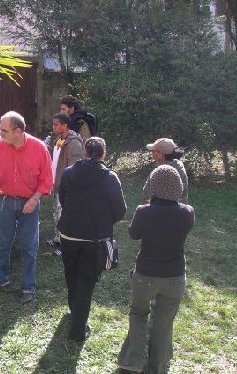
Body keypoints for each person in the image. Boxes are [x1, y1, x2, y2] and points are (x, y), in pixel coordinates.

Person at [117, 165, 195, 374]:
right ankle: (157, 366)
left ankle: (131, 362)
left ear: (153, 187)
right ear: (178, 187)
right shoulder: (187, 212)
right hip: (175, 277)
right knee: (164, 321)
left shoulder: (144, 211)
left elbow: (133, 234)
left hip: (146, 274)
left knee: (139, 314)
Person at [57, 137, 127, 342]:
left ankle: (75, 313)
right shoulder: (110, 178)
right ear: (103, 153)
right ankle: (78, 330)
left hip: (68, 234)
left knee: (72, 276)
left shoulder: (69, 173)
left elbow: (63, 199)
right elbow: (120, 210)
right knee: (86, 282)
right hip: (94, 239)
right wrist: (104, 223)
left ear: (85, 152)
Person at [0, 111, 53, 304]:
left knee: (29, 246)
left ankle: (28, 287)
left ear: (18, 131)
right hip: (5, 201)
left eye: (3, 130)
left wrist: (34, 200)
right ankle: (1, 280)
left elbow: (47, 180)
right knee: (1, 243)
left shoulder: (39, 148)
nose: (0, 133)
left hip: (29, 202)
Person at [45, 112, 83, 255]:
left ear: (65, 125)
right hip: (57, 184)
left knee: (64, 215)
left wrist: (69, 187)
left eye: (56, 125)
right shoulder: (59, 140)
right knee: (57, 212)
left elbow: (75, 167)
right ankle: (57, 238)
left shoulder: (74, 143)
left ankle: (65, 245)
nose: (53, 127)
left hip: (66, 187)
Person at [142, 138, 188, 204]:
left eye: (153, 151)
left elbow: (146, 194)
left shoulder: (159, 172)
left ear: (160, 153)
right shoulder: (179, 165)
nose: (152, 153)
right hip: (179, 210)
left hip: (158, 211)